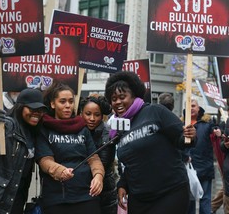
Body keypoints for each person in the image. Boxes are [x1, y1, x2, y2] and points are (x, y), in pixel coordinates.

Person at [104, 71, 196, 214]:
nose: (117, 102)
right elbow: (129, 162)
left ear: (134, 95)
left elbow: (181, 140)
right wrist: (123, 184)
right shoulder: (117, 128)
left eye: (122, 97)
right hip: (139, 198)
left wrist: (190, 136)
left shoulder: (155, 112)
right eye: (113, 99)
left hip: (170, 193)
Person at [0, 88, 47, 214]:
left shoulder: (35, 132)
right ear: (20, 107)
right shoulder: (7, 126)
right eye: (32, 109)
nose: (37, 113)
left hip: (16, 199)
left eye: (40, 110)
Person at [36, 82, 105, 214]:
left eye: (71, 101)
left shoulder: (82, 128)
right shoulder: (44, 129)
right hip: (57, 199)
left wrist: (98, 176)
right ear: (52, 104)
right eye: (62, 101)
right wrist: (60, 171)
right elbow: (44, 161)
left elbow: (94, 158)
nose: (68, 106)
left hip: (87, 196)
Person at [79, 94, 117, 214]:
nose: (92, 119)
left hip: (104, 191)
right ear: (81, 113)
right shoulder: (76, 130)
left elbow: (104, 162)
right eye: (88, 114)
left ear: (102, 116)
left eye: (97, 115)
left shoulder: (108, 133)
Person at [185, 99, 221, 214]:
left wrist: (217, 131)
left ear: (198, 108)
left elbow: (215, 130)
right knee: (189, 203)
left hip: (204, 169)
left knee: (205, 201)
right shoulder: (182, 125)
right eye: (189, 106)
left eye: (193, 105)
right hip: (188, 170)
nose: (191, 108)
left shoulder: (207, 124)